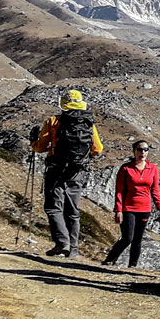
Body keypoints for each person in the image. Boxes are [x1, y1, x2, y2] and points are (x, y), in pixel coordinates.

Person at [32, 89, 103, 258]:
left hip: (56, 169)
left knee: (53, 207)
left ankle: (62, 243)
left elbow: (41, 147)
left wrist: (33, 142)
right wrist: (82, 157)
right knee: (72, 210)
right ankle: (73, 250)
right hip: (77, 171)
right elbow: (98, 149)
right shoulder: (88, 123)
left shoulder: (54, 121)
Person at [102, 140, 160, 267]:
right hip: (128, 208)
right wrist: (118, 210)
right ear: (134, 151)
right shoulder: (126, 168)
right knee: (127, 238)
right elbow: (119, 191)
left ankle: (132, 265)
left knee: (138, 239)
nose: (143, 152)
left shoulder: (153, 169)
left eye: (146, 150)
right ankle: (109, 260)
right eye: (140, 149)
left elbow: (155, 190)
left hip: (145, 208)